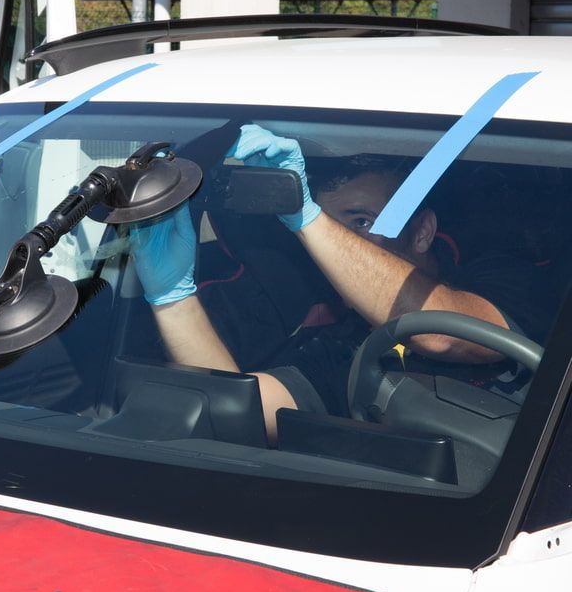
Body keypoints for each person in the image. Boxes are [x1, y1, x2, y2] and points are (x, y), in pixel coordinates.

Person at [130, 124, 551, 441]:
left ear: (422, 231)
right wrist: (171, 297)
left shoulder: (506, 278)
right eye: (331, 228)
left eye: (362, 222)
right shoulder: (346, 345)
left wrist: (309, 219)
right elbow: (229, 411)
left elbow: (442, 334)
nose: (336, 247)